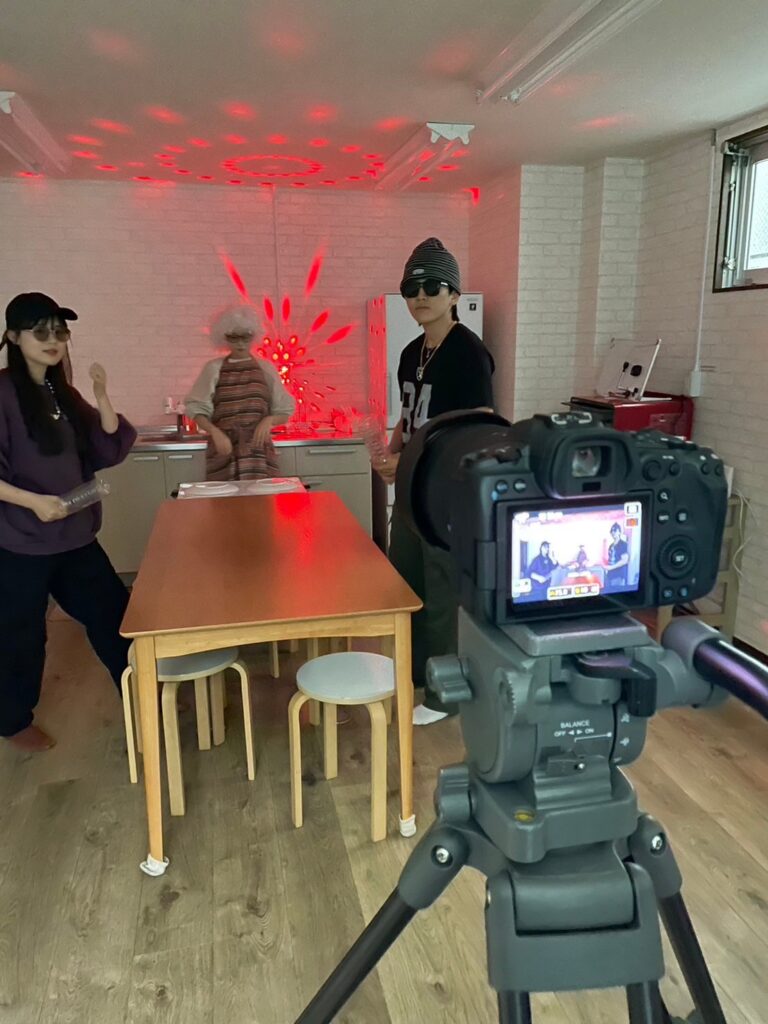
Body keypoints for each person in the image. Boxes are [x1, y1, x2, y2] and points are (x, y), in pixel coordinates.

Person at [0, 292, 137, 752]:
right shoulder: (2, 393)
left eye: (59, 331)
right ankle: (13, 720)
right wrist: (32, 502)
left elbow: (105, 447)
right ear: (13, 337)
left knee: (114, 615)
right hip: (20, 541)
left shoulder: (63, 393)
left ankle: (141, 694)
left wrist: (101, 396)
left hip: (74, 536)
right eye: (40, 331)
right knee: (21, 633)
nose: (53, 339)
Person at [377, 238, 494, 725]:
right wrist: (392, 452)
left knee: (444, 593)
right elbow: (408, 416)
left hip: (447, 493)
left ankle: (446, 697)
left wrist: (418, 462)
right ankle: (416, 673)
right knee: (406, 583)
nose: (420, 296)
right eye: (411, 288)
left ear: (454, 295)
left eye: (432, 286)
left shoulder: (469, 353)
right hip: (410, 487)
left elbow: (480, 427)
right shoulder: (411, 352)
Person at [185, 304, 296, 480]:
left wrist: (269, 421)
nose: (240, 343)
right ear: (224, 337)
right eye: (234, 338)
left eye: (245, 337)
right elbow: (196, 409)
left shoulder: (266, 368)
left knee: (261, 496)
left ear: (254, 336)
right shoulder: (213, 369)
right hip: (224, 448)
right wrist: (215, 432)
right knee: (225, 496)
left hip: (258, 449)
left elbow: (284, 410)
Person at [605, 522, 629, 589]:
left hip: (619, 576)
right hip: (610, 575)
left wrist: (611, 567)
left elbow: (624, 561)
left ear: (619, 532)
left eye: (615, 530)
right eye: (611, 531)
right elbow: (610, 559)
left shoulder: (623, 544)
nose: (613, 532)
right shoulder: (611, 546)